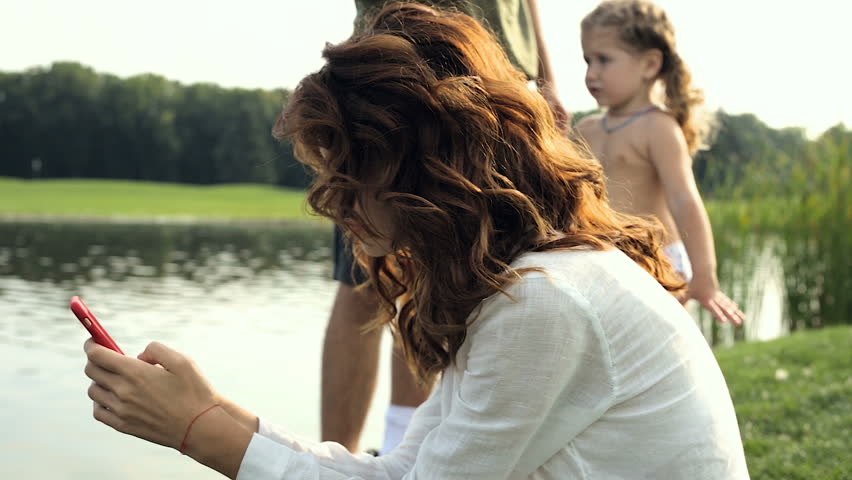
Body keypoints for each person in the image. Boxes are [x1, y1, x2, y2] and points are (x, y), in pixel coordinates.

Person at [81, 3, 749, 478]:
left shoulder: (544, 303)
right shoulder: (525, 279)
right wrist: (209, 411)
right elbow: (403, 471)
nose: (336, 206)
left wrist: (199, 433)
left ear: (424, 178)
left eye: (348, 177)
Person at [324, 0, 570, 456]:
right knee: (366, 277)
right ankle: (336, 455)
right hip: (393, 75)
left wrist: (546, 76)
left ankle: (406, 445)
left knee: (449, 267)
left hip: (500, 79)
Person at [575, 0, 745, 325]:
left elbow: (684, 200)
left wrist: (704, 278)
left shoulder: (658, 127)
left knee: (661, 352)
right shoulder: (586, 129)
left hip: (659, 263)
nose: (590, 73)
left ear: (649, 65)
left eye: (603, 60)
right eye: (587, 60)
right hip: (605, 262)